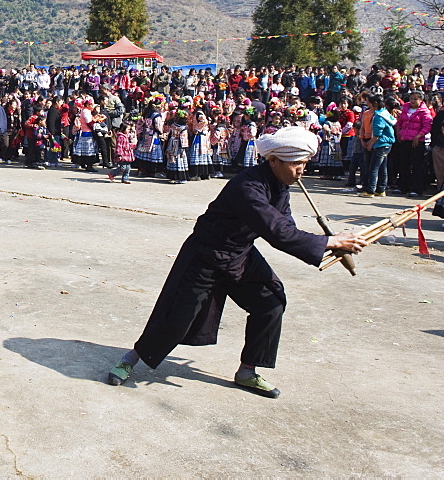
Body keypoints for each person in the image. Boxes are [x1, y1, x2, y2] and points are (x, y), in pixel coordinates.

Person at [106, 126, 366, 398]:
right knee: (176, 317)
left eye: (304, 163)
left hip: (240, 254)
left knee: (271, 301)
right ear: (273, 160)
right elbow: (276, 232)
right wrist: (330, 242)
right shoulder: (247, 186)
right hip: (206, 254)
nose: (301, 170)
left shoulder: (279, 186)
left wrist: (326, 244)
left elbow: (285, 225)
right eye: (296, 163)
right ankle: (131, 358)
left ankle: (247, 371)